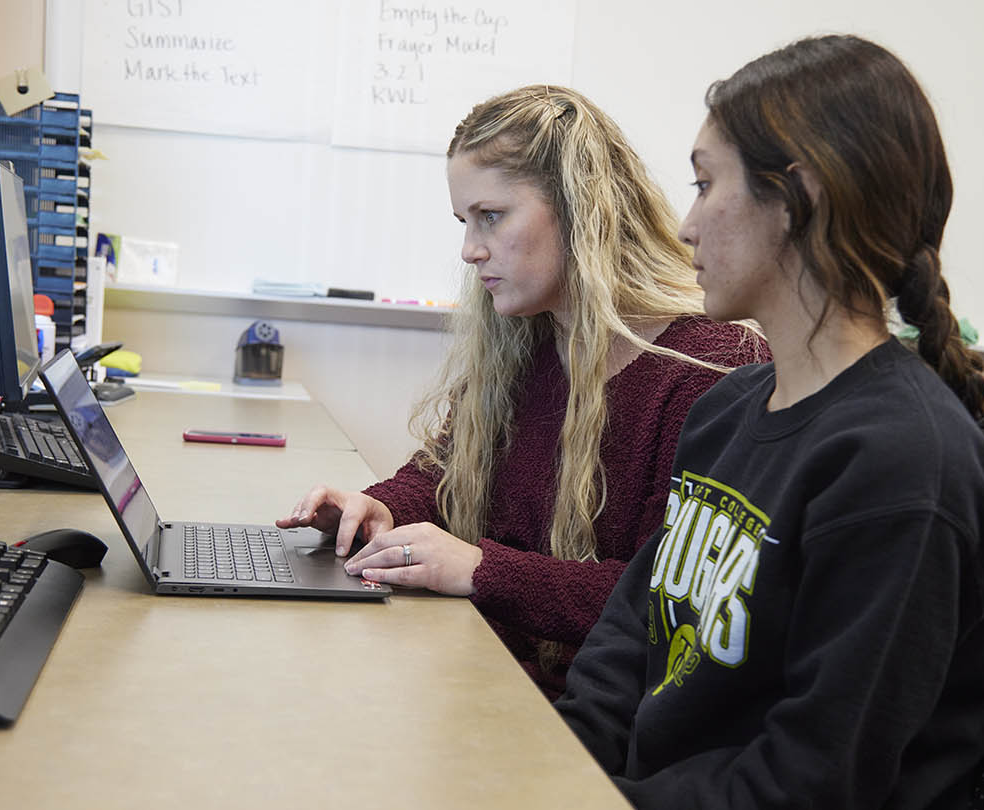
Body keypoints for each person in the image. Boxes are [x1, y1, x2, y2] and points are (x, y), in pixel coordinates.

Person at [553, 35, 984, 808]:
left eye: (706, 183)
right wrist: (551, 762)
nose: (684, 226)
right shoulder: (729, 410)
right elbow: (630, 634)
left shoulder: (902, 470)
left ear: (798, 196)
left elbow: (812, 780)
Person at [277, 85, 769, 698]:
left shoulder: (711, 368)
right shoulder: (524, 341)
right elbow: (443, 472)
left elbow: (672, 604)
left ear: (581, 206)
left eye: (492, 216)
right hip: (484, 676)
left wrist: (484, 572)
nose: (470, 249)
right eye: (464, 222)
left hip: (596, 716)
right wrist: (379, 509)